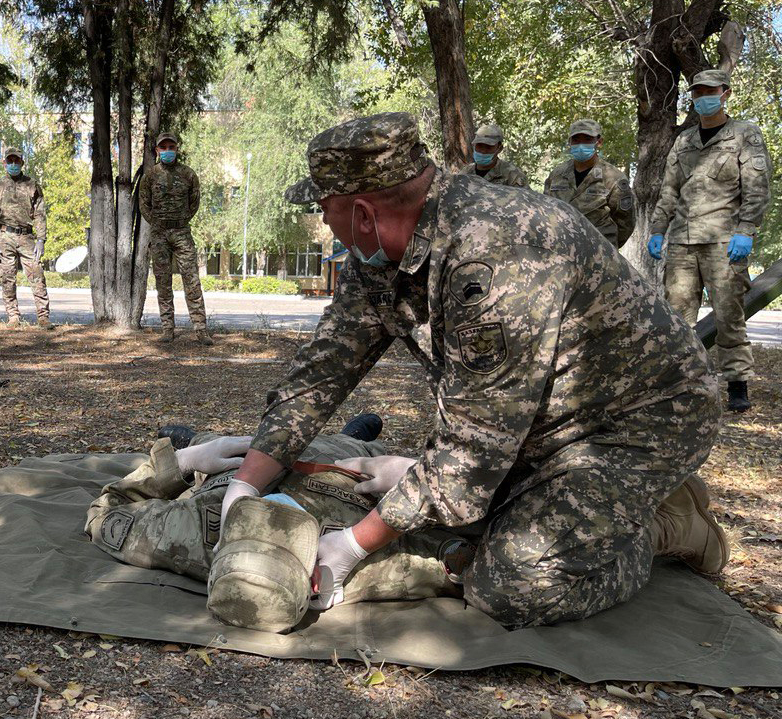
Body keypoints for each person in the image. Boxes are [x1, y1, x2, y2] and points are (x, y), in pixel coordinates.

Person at [218, 112, 727, 630]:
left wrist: (349, 547)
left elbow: (473, 448)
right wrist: (244, 490)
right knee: (461, 512)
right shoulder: (375, 261)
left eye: (324, 208)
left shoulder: (500, 251)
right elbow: (322, 373)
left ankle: (663, 523)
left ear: (365, 214)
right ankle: (567, 504)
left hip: (640, 426)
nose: (323, 221)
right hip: (539, 425)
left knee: (511, 586)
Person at [86, 417, 478, 633]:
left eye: (248, 527)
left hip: (246, 458)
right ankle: (350, 434)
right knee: (356, 441)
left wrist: (185, 461)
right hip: (346, 460)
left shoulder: (182, 538)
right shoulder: (367, 570)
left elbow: (106, 511)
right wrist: (417, 477)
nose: (271, 511)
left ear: (216, 557)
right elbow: (467, 557)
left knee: (221, 444)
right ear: (313, 582)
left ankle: (193, 436)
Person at [647, 69, 772, 413]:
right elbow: (669, 190)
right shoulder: (684, 140)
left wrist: (746, 230)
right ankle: (683, 383)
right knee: (677, 318)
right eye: (697, 91)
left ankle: (737, 384)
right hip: (682, 243)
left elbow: (757, 188)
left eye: (709, 90)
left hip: (724, 242)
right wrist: (658, 229)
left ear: (725, 93)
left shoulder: (744, 134)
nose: (702, 97)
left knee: (729, 316)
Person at [138, 132, 211, 345]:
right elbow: (144, 204)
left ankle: (200, 329)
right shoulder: (150, 176)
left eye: (171, 147)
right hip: (159, 234)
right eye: (164, 147)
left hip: (182, 233)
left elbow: (194, 202)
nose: (168, 151)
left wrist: (180, 220)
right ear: (157, 150)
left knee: (192, 280)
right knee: (163, 281)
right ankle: (167, 329)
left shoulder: (188, 174)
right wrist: (158, 222)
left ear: (177, 149)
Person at [543, 119, 635, 248]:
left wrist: (607, 246)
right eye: (576, 140)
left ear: (599, 142)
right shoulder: (557, 175)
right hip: (560, 248)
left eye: (587, 139)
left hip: (598, 251)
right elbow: (546, 210)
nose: (581, 144)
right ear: (569, 142)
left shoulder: (613, 177)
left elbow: (625, 223)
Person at [0, 147, 51, 329]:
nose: (13, 164)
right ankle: (13, 316)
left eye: (17, 160)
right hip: (5, 236)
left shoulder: (32, 184)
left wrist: (41, 239)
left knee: (37, 275)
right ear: (4, 163)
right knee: (7, 278)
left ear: (22, 162)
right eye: (10, 160)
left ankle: (43, 316)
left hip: (27, 237)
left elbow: (39, 214)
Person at [464, 124, 528, 188]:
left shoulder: (513, 175)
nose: (483, 151)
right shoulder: (466, 172)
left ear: (499, 148)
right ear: (474, 146)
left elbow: (525, 197)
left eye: (489, 147)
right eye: (479, 145)